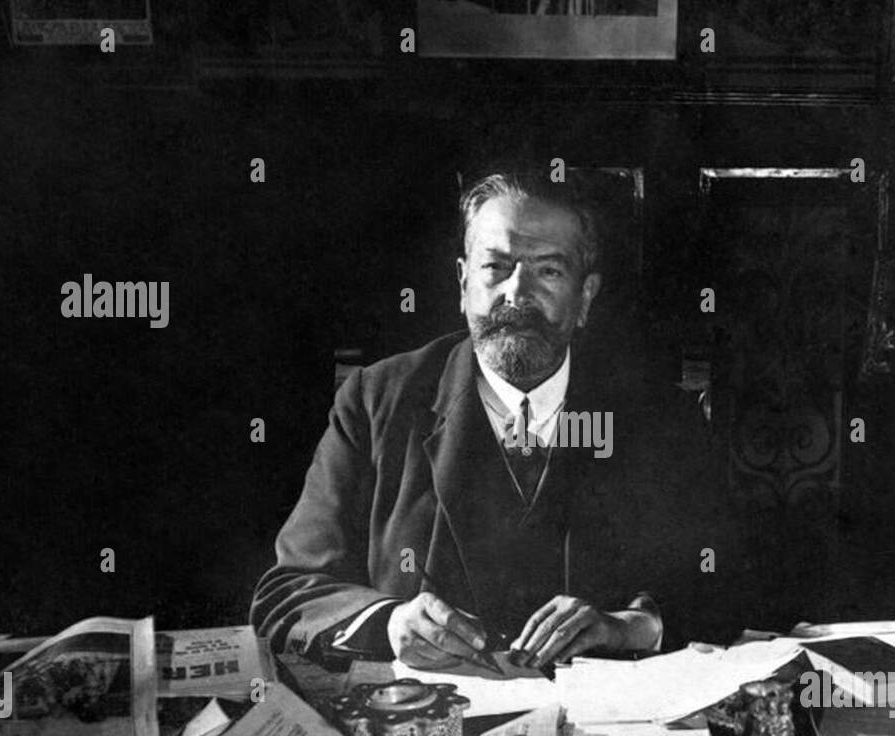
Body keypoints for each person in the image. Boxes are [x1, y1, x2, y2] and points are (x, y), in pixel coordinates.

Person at [251, 167, 730, 671]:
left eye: (548, 271)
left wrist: (631, 625)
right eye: (496, 267)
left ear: (585, 296)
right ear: (463, 282)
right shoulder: (376, 402)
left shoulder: (659, 416)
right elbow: (287, 592)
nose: (516, 295)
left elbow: (727, 578)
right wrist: (388, 623)